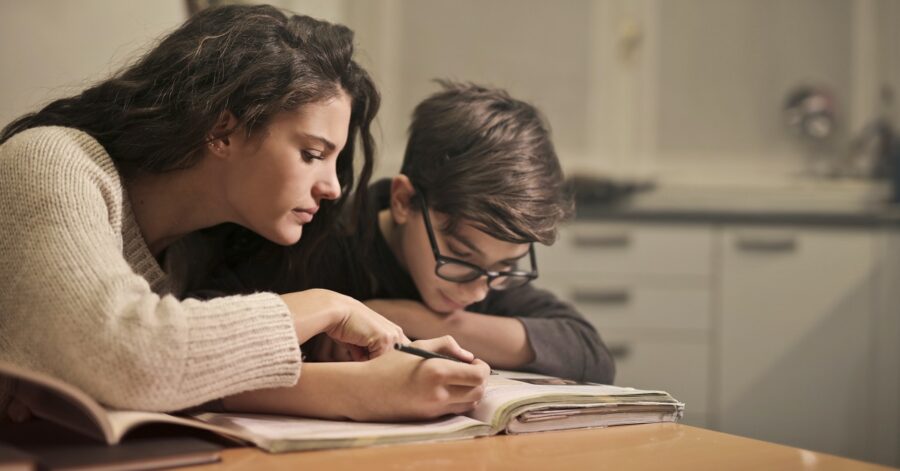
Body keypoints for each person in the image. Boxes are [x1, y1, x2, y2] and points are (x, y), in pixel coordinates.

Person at [0, 5, 489, 422]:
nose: (334, 187)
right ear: (222, 130)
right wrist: (327, 306)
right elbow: (133, 358)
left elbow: (181, 377)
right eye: (313, 153)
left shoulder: (194, 250)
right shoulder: (53, 161)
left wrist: (374, 381)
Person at [204, 81, 615, 384]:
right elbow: (204, 330)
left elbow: (590, 354)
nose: (478, 292)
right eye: (460, 256)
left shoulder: (487, 274)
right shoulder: (315, 239)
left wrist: (412, 319)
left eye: (506, 267)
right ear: (403, 200)